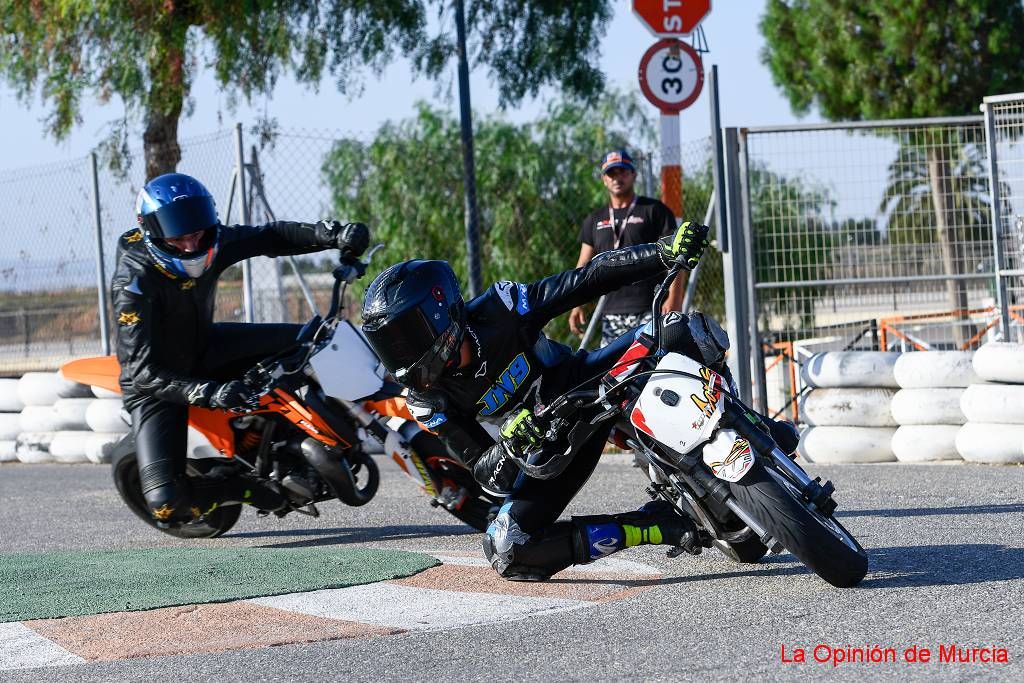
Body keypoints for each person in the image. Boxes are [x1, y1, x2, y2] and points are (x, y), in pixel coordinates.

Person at [361, 221, 719, 581]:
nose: (401, 358)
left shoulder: (500, 309)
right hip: (552, 449)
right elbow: (484, 472)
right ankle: (654, 525)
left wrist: (660, 251)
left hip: (592, 383)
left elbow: (587, 280)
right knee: (507, 548)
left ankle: (754, 433)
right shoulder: (428, 399)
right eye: (390, 347)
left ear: (440, 313)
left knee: (681, 330)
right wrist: (510, 447)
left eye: (405, 339)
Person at [112, 172, 369, 525]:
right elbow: (142, 373)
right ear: (152, 231)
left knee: (316, 340)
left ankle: (325, 433)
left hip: (206, 346)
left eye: (198, 230)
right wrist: (210, 391)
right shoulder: (134, 283)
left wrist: (332, 234)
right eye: (180, 235)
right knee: (167, 506)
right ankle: (245, 488)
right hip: (158, 386)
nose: (192, 244)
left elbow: (271, 236)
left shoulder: (211, 240)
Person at [568, 149, 684, 347]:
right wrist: (575, 304)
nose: (617, 178)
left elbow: (677, 258)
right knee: (613, 374)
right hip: (611, 313)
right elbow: (583, 267)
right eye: (611, 173)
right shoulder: (594, 219)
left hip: (651, 308)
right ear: (604, 179)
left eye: (622, 171)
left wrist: (674, 299)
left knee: (650, 371)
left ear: (633, 174)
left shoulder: (654, 211)